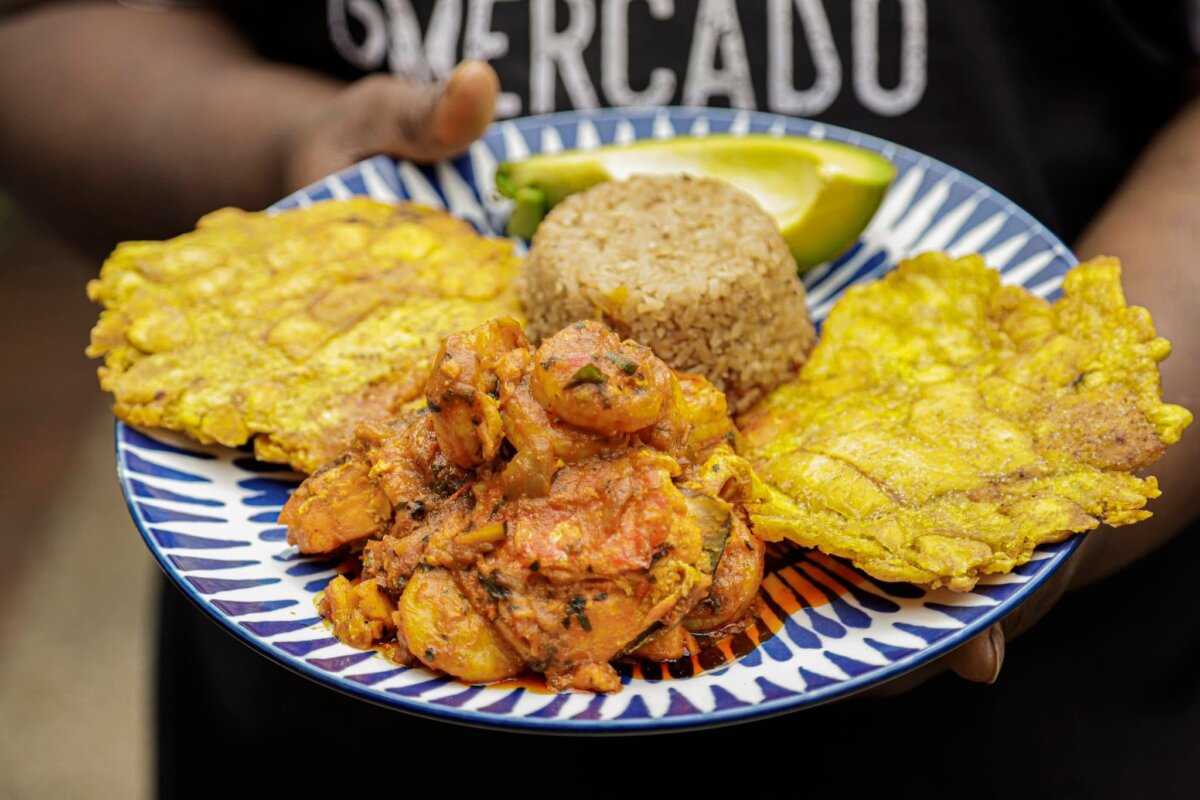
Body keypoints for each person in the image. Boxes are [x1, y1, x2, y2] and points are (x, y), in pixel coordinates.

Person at [1, 0, 1197, 795]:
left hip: (1028, 739)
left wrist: (1042, 469)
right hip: (324, 743)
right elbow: (44, 33)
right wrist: (288, 147)